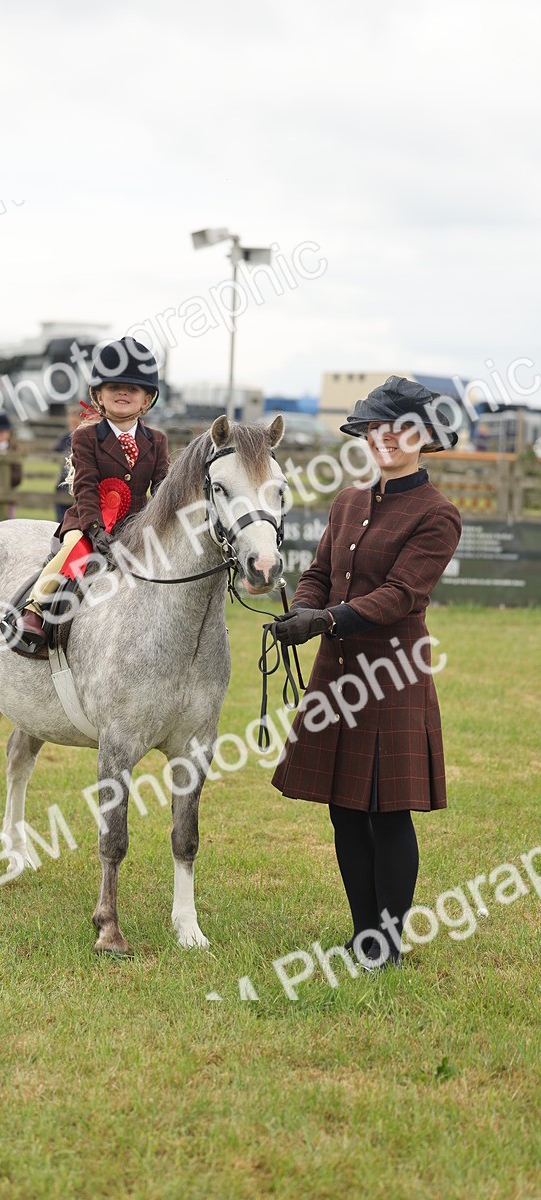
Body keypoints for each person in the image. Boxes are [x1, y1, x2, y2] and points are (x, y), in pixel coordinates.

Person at [271, 377, 462, 970]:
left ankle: (388, 942)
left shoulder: (438, 514)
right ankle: (361, 935)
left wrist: (325, 619)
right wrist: (303, 609)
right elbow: (320, 571)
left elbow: (402, 595)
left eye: (401, 429)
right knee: (344, 808)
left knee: (388, 811)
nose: (386, 439)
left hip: (392, 677)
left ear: (425, 437)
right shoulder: (348, 501)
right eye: (377, 429)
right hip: (337, 673)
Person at [9, 337, 169, 656]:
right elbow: (84, 484)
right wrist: (94, 530)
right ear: (98, 395)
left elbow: (163, 487)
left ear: (146, 400)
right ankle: (36, 610)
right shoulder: (86, 437)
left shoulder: (157, 440)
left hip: (136, 526)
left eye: (132, 389)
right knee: (73, 551)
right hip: (88, 522)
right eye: (113, 387)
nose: (122, 393)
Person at [53, 406, 83, 524]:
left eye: (75, 422)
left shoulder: (87, 437)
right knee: (60, 518)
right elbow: (55, 449)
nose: (73, 425)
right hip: (64, 482)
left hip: (79, 482)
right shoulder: (66, 437)